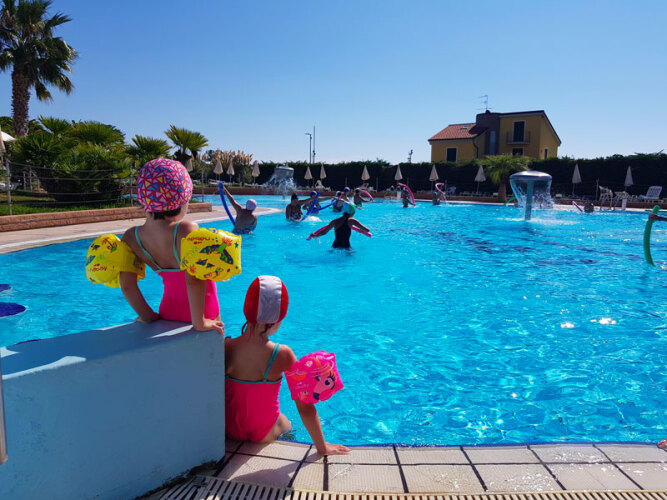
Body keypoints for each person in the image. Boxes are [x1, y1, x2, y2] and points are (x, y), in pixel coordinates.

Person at [225, 275, 350, 455]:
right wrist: (322, 447)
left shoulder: (226, 346)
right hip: (264, 433)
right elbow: (305, 407)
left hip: (230, 431)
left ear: (246, 310)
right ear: (277, 319)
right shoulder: (282, 354)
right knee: (285, 423)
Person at [119, 158, 225, 334]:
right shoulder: (186, 230)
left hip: (168, 312)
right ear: (182, 199)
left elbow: (127, 285)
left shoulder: (131, 237)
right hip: (203, 312)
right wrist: (199, 322)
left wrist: (147, 316)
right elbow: (193, 280)